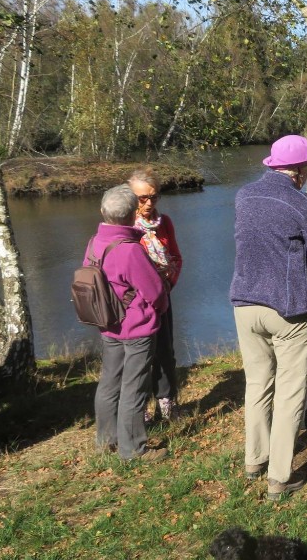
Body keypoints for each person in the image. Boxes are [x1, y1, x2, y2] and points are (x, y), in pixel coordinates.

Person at [231, 134, 307, 500]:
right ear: (301, 169)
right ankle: (279, 477)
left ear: (272, 164)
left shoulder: (243, 196)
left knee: (257, 383)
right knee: (290, 390)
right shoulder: (303, 204)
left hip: (244, 301)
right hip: (287, 307)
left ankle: (255, 459)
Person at [89, 185, 169, 462]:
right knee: (134, 387)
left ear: (103, 212)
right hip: (136, 328)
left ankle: (105, 439)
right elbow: (156, 291)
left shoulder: (95, 242)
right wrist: (158, 311)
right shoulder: (130, 250)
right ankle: (133, 449)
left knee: (110, 381)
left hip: (108, 322)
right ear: (132, 214)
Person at [129, 168, 183, 422]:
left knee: (165, 351)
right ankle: (138, 411)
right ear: (130, 197)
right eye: (142, 198)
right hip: (134, 304)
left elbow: (176, 258)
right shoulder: (124, 226)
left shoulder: (165, 223)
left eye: (154, 197)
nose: (149, 203)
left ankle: (167, 405)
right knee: (139, 357)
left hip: (162, 297)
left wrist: (168, 283)